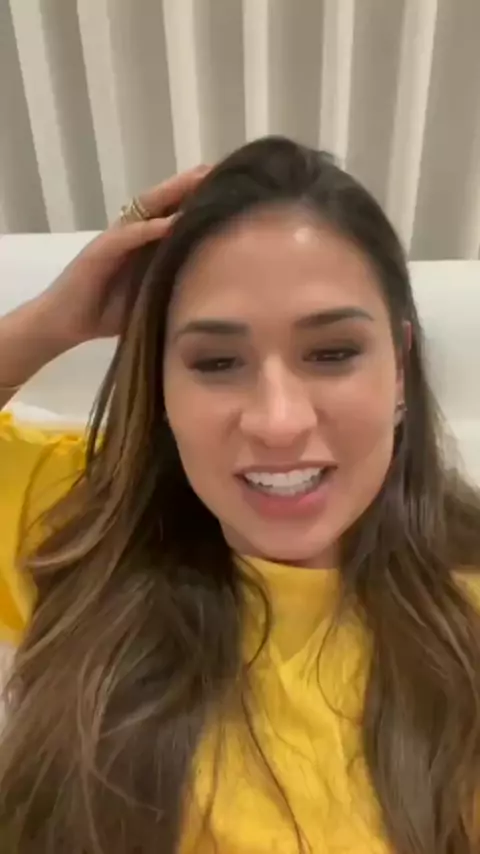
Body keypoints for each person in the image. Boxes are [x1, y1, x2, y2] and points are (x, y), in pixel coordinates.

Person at [0, 136, 479, 854]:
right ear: (161, 388)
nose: (278, 422)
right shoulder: (82, 525)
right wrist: (48, 321)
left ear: (401, 370)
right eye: (217, 361)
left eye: (332, 353)